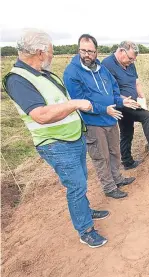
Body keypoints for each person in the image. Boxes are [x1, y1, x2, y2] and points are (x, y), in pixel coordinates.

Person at [3, 28, 109, 248]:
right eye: (50, 51)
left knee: (81, 180)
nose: (52, 55)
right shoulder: (18, 80)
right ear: (40, 52)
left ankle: (86, 211)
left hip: (73, 137)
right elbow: (40, 115)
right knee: (77, 185)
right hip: (56, 144)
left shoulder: (42, 73)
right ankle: (85, 230)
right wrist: (75, 103)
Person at [63, 34, 138, 199]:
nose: (87, 54)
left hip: (111, 118)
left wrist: (121, 101)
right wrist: (104, 109)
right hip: (93, 123)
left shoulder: (101, 68)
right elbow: (80, 101)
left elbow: (113, 89)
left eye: (91, 51)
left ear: (96, 52)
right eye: (83, 50)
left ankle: (117, 178)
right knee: (101, 156)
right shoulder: (72, 72)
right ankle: (109, 187)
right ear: (78, 50)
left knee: (114, 152)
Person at [101, 41, 149, 170]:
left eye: (134, 59)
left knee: (127, 132)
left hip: (133, 104)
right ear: (121, 51)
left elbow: (136, 82)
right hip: (119, 105)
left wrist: (142, 98)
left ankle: (128, 162)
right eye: (130, 58)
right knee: (147, 116)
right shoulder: (107, 64)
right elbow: (107, 91)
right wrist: (124, 100)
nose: (131, 62)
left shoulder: (130, 64)